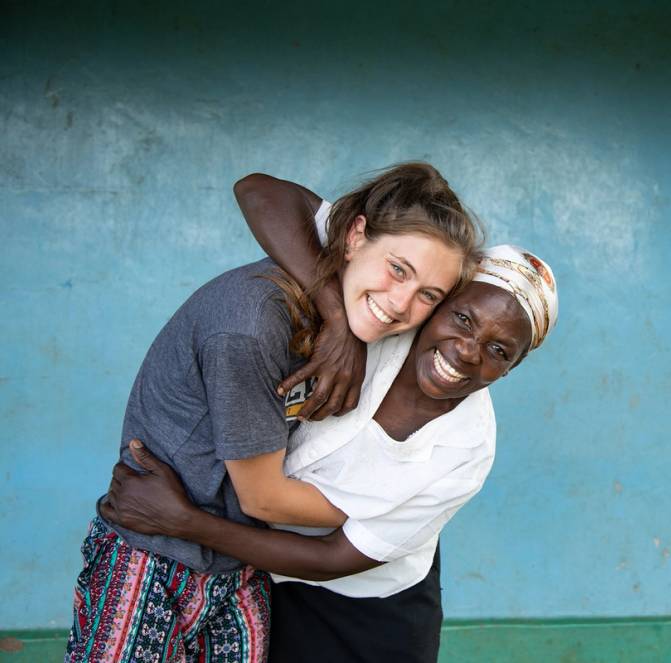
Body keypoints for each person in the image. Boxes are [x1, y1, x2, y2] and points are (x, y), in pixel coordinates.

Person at [65, 163, 482, 663]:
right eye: (397, 270)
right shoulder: (251, 326)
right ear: (355, 236)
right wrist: (392, 511)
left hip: (240, 568)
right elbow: (263, 499)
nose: (399, 304)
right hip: (154, 552)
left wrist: (343, 325)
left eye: (428, 296)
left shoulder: (377, 321)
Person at [101, 244, 560, 662]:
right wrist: (337, 321)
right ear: (440, 304)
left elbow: (332, 560)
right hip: (261, 577)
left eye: (498, 350)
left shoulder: (466, 451)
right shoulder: (377, 325)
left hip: (372, 610)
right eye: (463, 318)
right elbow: (264, 195)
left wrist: (182, 522)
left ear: (511, 368)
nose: (466, 351)